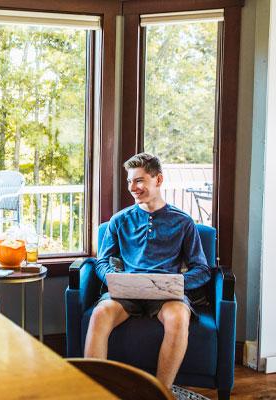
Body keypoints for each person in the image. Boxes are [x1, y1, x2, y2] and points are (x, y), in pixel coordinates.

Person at [84, 152, 213, 390]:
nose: (133, 187)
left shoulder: (183, 222)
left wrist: (176, 282)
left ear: (158, 180)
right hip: (126, 292)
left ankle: (159, 393)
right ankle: (96, 392)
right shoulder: (119, 220)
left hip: (166, 295)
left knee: (179, 316)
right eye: (130, 181)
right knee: (99, 314)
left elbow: (202, 269)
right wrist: (115, 280)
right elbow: (101, 262)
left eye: (139, 180)